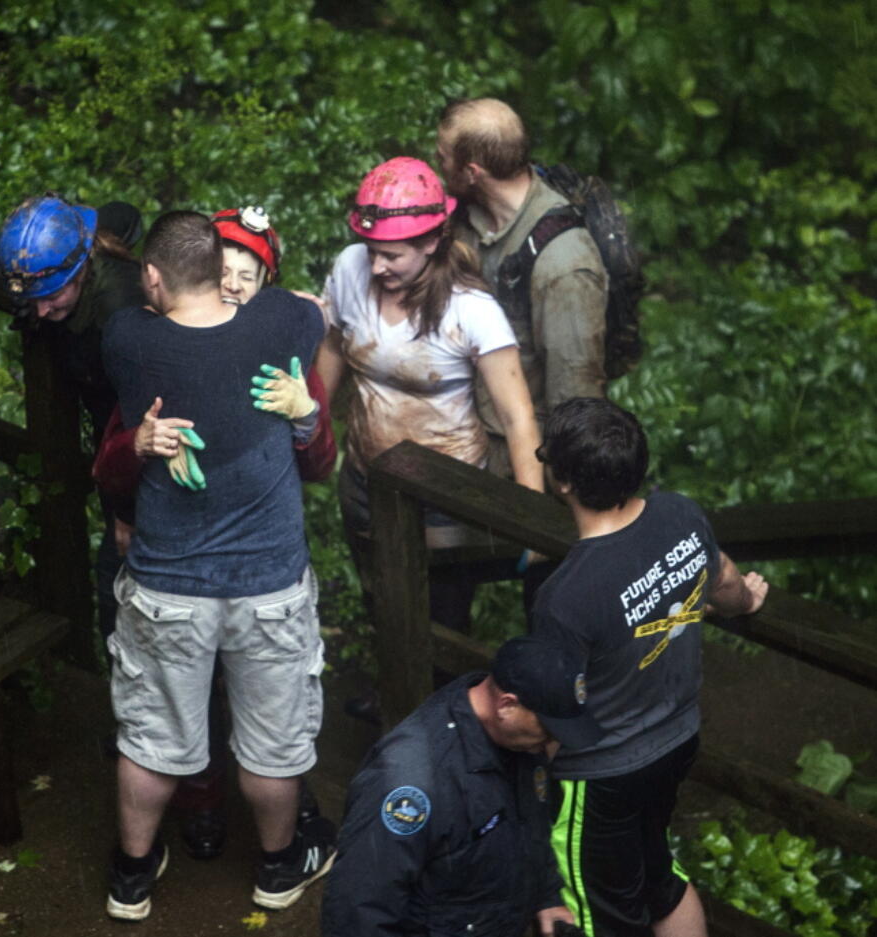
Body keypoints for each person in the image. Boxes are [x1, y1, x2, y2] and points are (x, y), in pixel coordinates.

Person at [100, 211, 335, 921]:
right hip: (268, 581)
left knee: (150, 736)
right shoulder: (282, 333)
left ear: (151, 278)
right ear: (218, 271)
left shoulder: (128, 339)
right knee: (273, 739)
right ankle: (276, 866)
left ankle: (132, 877)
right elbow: (307, 308)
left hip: (169, 582)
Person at [529, 397, 769, 937]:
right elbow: (725, 579)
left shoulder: (564, 597)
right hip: (679, 739)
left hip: (602, 774)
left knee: (594, 911)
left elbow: (552, 715)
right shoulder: (680, 514)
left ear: (562, 480)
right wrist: (745, 605)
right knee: (657, 874)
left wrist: (530, 789)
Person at [316, 156, 543, 638]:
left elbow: (518, 414)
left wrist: (531, 516)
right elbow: (333, 345)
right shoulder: (350, 268)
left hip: (445, 490)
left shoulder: (471, 310)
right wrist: (311, 427)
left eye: (392, 255)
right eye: (370, 249)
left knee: (439, 613)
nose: (376, 266)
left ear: (433, 241)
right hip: (366, 478)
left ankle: (443, 702)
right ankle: (393, 697)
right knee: (381, 594)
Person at [321, 635, 602, 936]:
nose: (553, 743)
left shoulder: (521, 741)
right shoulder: (412, 781)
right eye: (549, 730)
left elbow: (528, 825)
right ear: (506, 705)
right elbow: (355, 910)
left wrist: (546, 895)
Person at [0, 193, 146, 643]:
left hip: (139, 462)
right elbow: (124, 213)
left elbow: (144, 417)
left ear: (82, 269)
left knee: (121, 591)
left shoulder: (121, 315)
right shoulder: (81, 247)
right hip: (112, 448)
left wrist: (127, 515)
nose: (42, 309)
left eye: (53, 295)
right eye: (32, 297)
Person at [437, 98, 609, 480]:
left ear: (471, 171)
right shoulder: (469, 218)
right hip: (466, 437)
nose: (438, 167)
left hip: (522, 459)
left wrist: (556, 491)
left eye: (443, 158)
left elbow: (576, 397)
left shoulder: (563, 265)